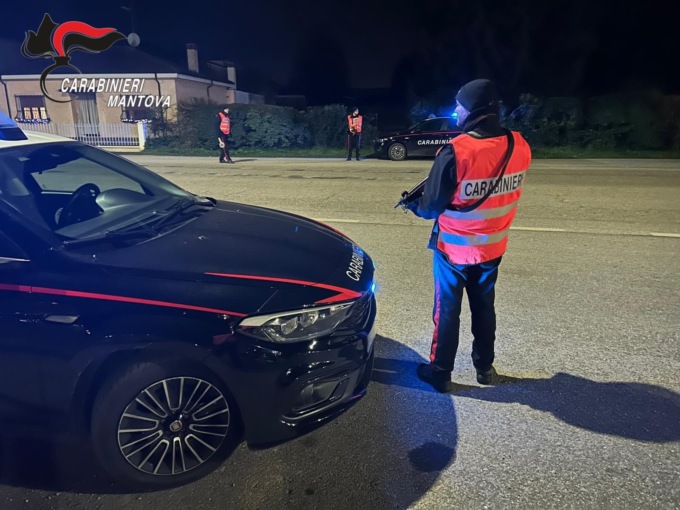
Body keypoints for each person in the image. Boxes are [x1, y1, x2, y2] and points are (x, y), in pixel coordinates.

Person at [404, 78, 532, 392]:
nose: (456, 110)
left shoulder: (457, 151)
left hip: (454, 249)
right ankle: (484, 369)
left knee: (447, 310)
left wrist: (413, 205)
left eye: (460, 105)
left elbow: (432, 206)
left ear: (473, 110)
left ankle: (440, 372)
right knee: (484, 307)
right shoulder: (519, 145)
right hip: (493, 247)